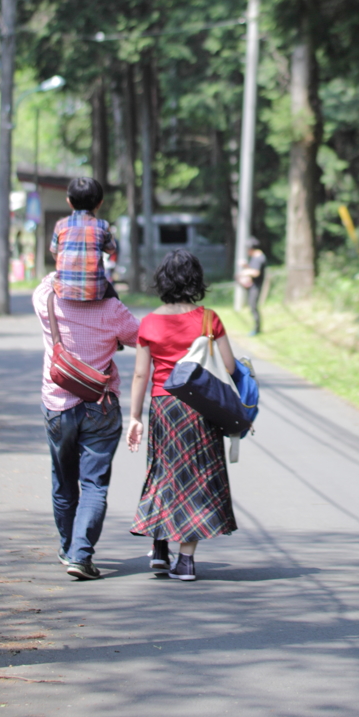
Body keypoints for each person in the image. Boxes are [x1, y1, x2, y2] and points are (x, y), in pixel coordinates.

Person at [127, 249, 237, 582]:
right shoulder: (208, 319)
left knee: (163, 472)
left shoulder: (148, 323)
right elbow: (229, 367)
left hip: (164, 406)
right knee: (196, 478)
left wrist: (134, 417)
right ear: (195, 281)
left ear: (162, 280)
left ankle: (159, 547)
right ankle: (185, 561)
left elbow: (140, 375)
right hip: (201, 407)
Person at [33, 273, 139, 580]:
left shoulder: (46, 300)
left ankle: (68, 549)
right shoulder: (112, 310)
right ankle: (80, 554)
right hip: (100, 408)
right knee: (94, 483)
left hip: (57, 406)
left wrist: (59, 271)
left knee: (63, 480)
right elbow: (141, 338)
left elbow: (47, 281)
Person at [50, 177, 119, 301]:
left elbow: (54, 252)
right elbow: (111, 249)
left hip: (63, 291)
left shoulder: (61, 225)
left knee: (47, 283)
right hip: (95, 292)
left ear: (69, 202)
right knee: (114, 295)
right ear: (100, 203)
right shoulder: (102, 225)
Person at [236, 237, 266, 335]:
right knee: (252, 306)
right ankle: (256, 328)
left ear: (251, 248)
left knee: (253, 307)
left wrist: (245, 272)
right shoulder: (255, 257)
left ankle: (257, 329)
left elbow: (256, 272)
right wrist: (245, 266)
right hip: (253, 286)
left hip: (256, 286)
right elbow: (253, 269)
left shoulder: (259, 258)